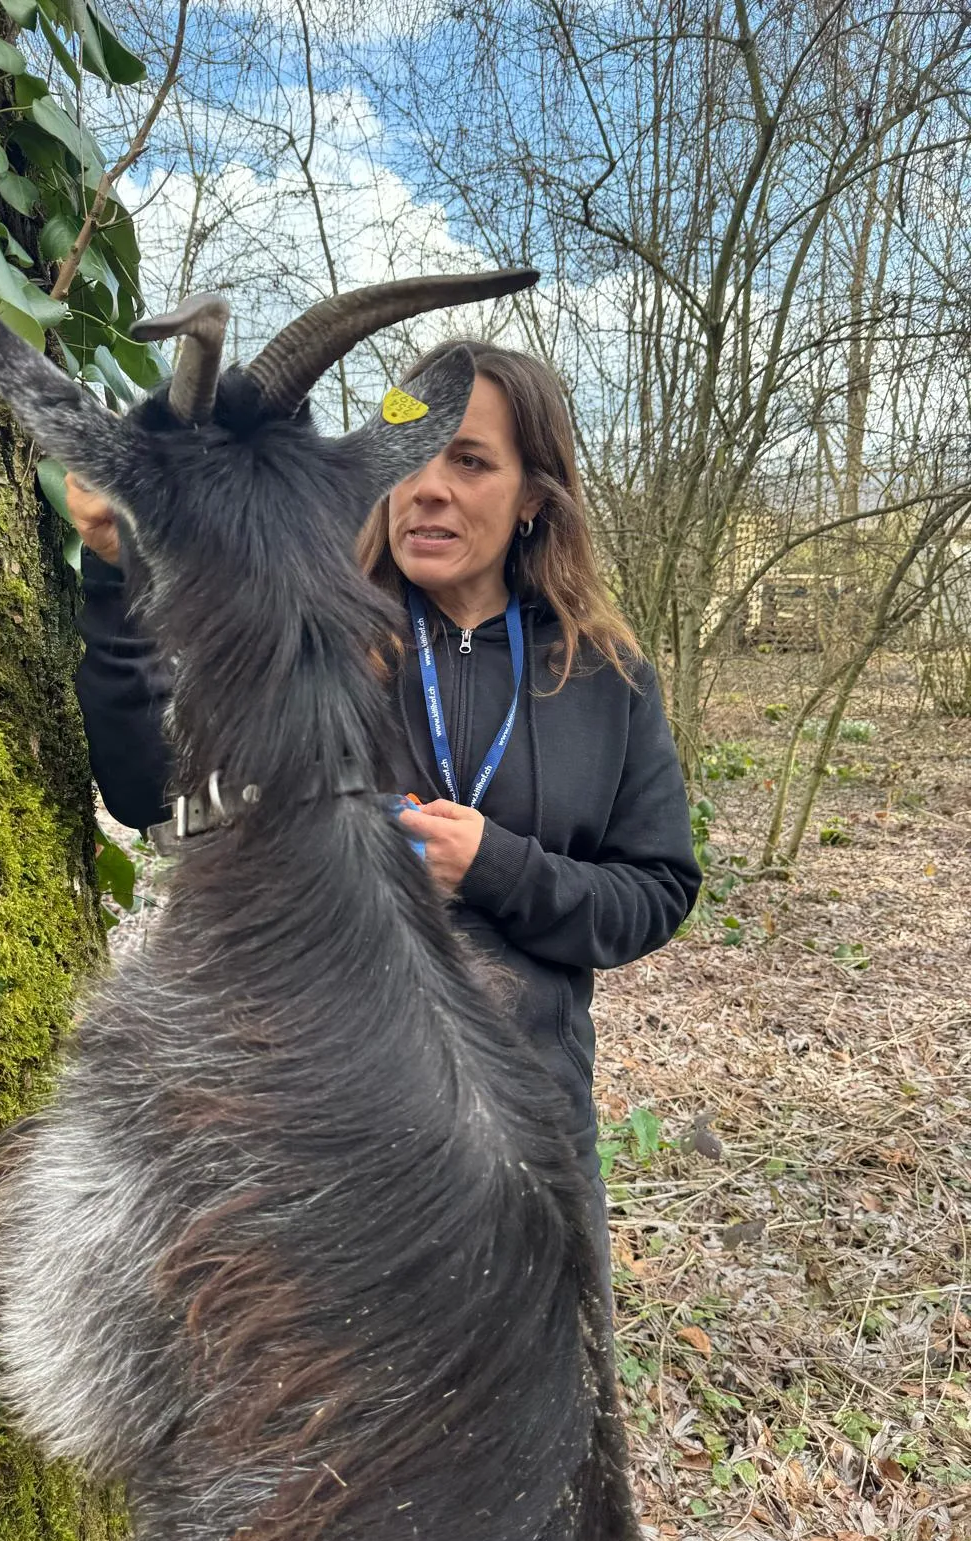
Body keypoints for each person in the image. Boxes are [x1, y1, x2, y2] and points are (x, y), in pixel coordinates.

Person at [68, 340, 701, 1273]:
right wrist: (117, 570)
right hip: (319, 1136)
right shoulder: (305, 637)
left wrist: (497, 869)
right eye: (412, 457)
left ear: (534, 497)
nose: (427, 488)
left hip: (530, 1141)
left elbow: (656, 889)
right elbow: (151, 792)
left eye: (470, 461)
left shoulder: (607, 677)